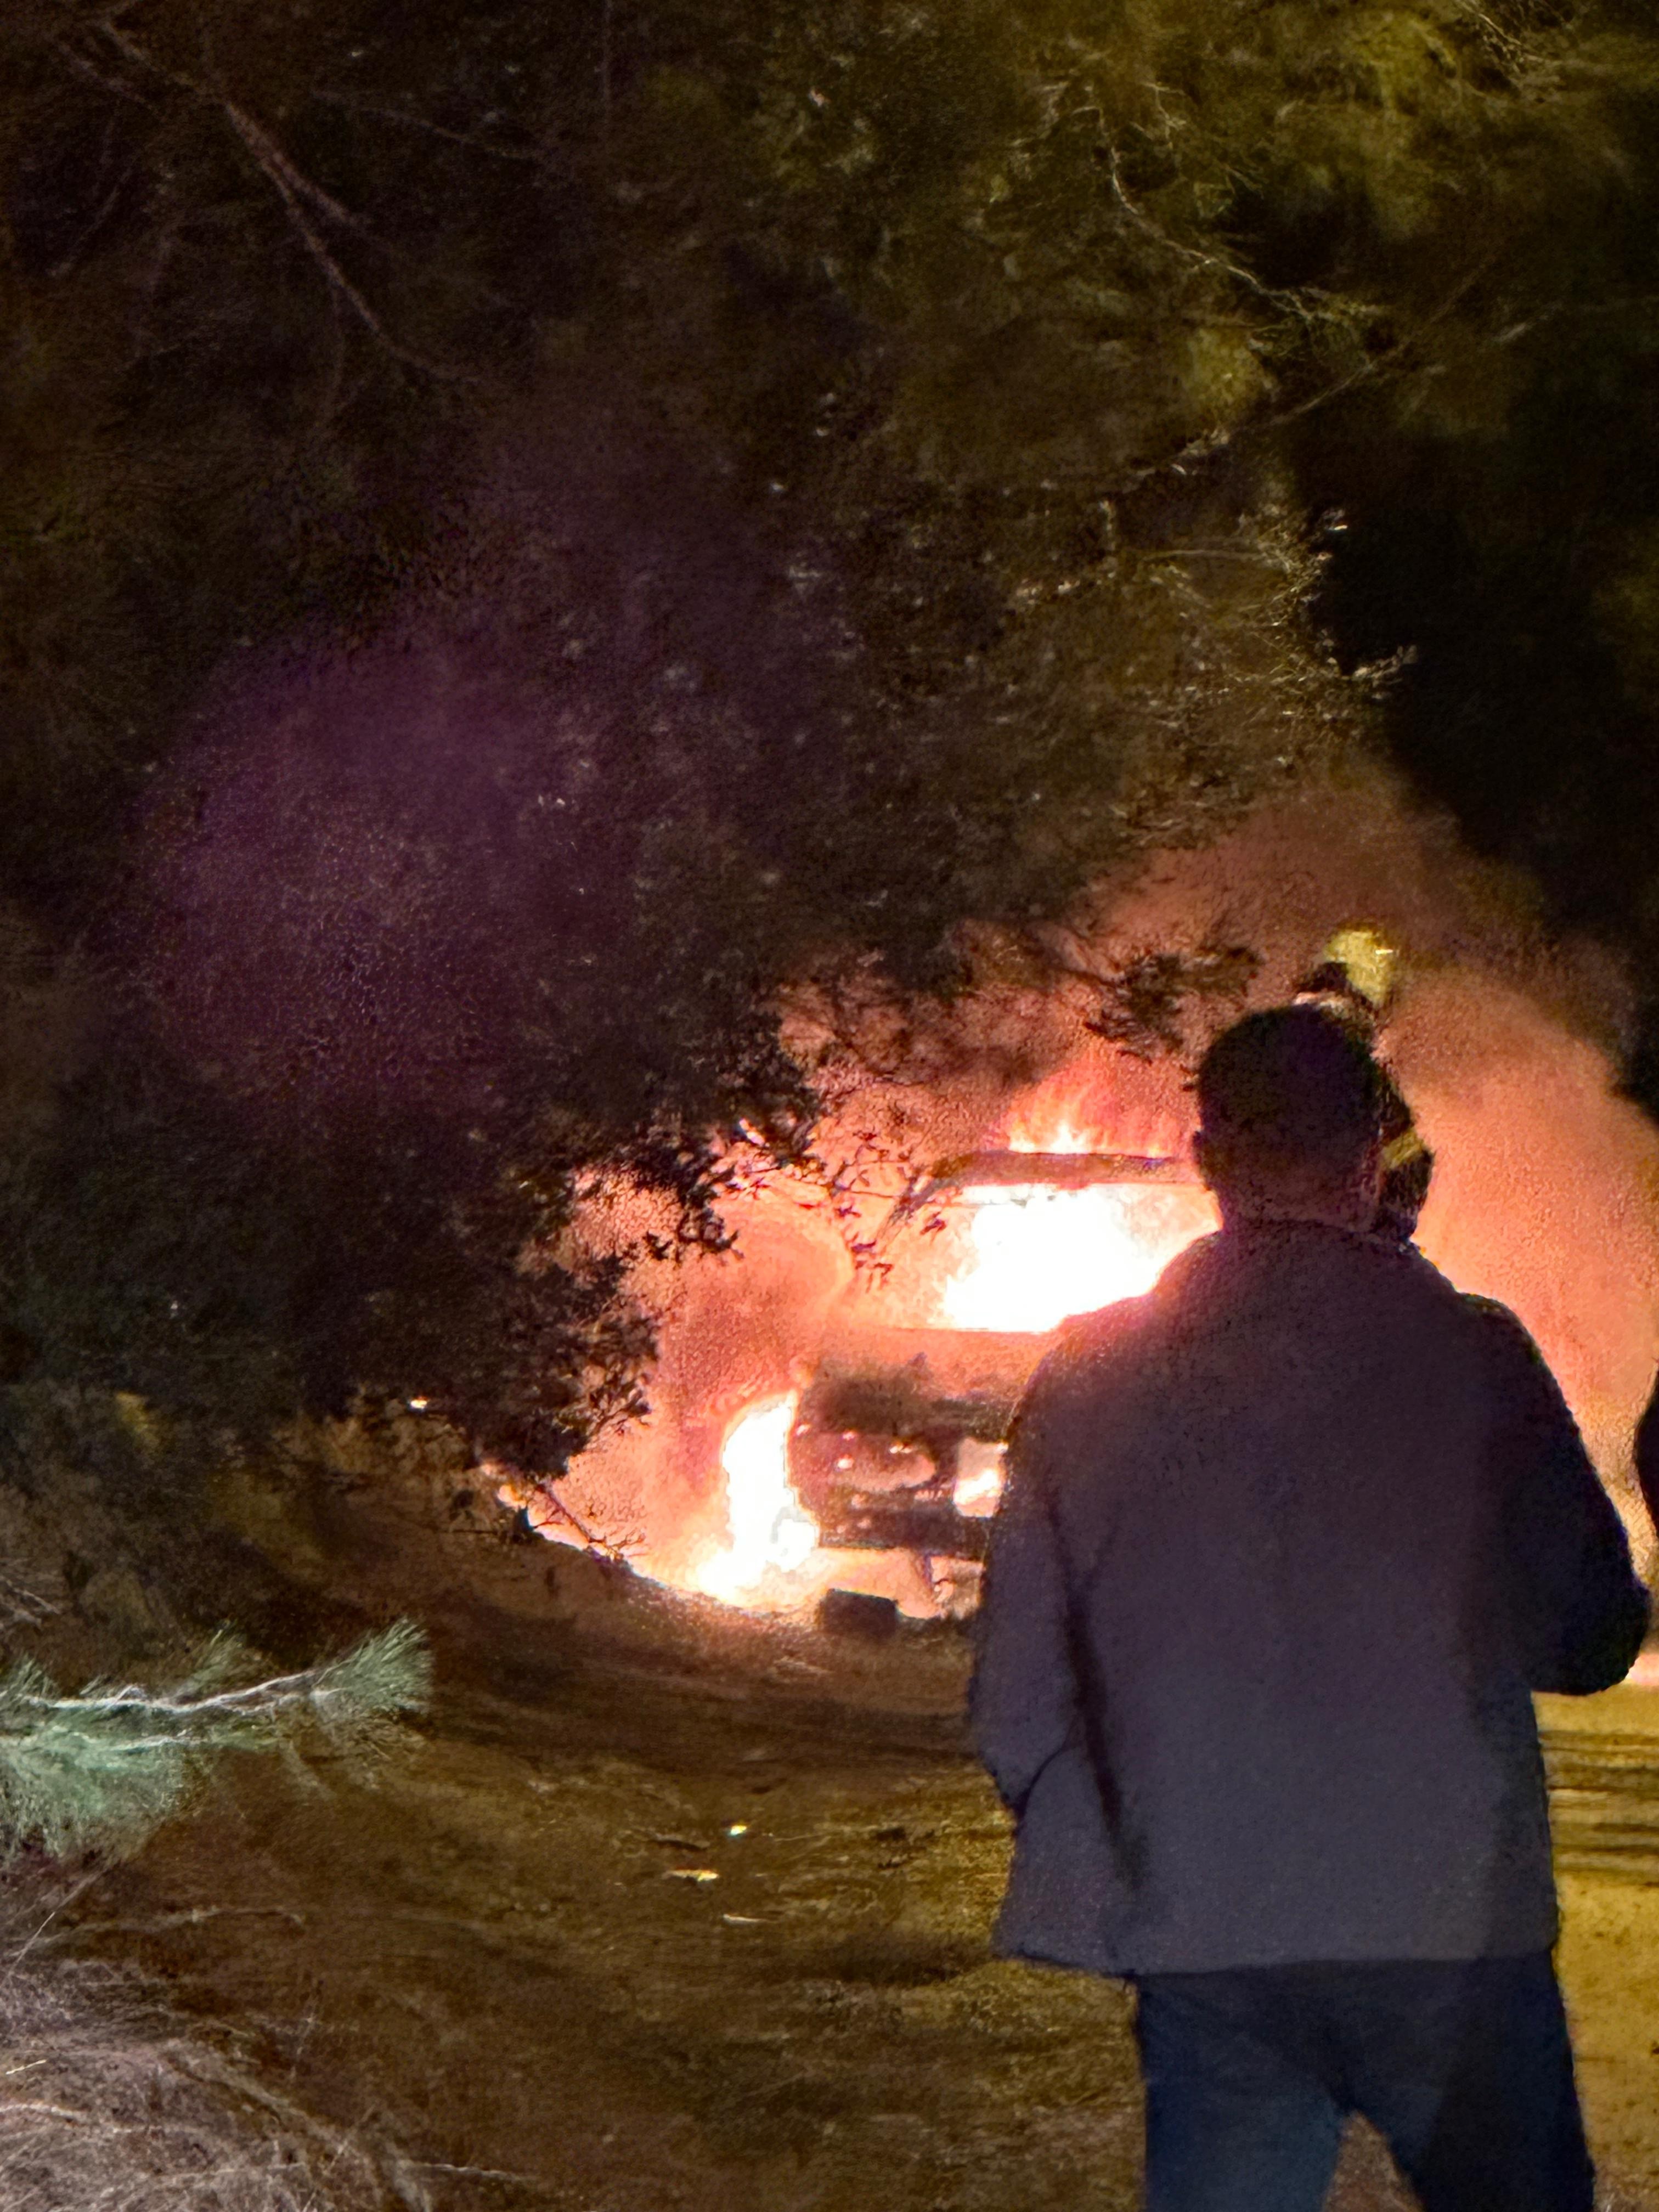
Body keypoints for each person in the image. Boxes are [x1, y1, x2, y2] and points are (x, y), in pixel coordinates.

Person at [972, 1005, 1649, 2212]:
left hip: (1207, 1926)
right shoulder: (1473, 1355)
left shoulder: (1085, 1375)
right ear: (1369, 1160)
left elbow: (1017, 1696)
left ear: (1205, 1160)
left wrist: (1138, 1845)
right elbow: (1590, 1639)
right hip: (1451, 1924)